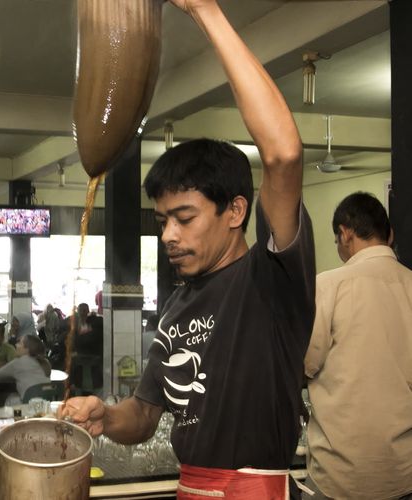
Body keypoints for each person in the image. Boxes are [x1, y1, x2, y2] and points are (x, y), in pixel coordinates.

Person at [61, 1, 315, 498]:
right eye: (162, 222)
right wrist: (105, 416)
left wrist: (206, 12)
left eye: (185, 218)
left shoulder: (270, 279)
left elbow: (283, 154)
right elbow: (144, 416)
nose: (168, 236)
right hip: (190, 489)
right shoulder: (177, 307)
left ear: (236, 212)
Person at [303, 192, 412, 500]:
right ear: (389, 235)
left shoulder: (329, 285)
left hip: (340, 475)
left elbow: (305, 364)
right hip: (404, 473)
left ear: (345, 233)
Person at [0, 333, 51, 400]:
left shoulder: (18, 362)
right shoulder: (44, 362)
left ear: (27, 349)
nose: (16, 345)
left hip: (30, 401)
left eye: (19, 343)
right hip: (47, 399)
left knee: (10, 398)